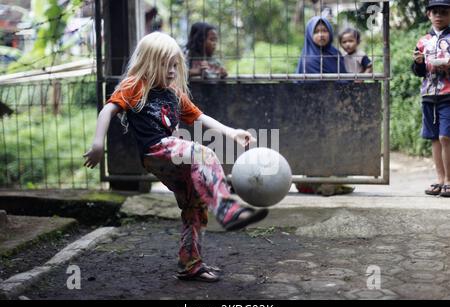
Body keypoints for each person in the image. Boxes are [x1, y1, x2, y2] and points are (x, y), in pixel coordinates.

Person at [83, 32, 268, 282]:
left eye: (174, 65)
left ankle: (190, 264)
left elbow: (202, 118)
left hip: (173, 160)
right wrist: (97, 143)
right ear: (149, 62)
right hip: (156, 150)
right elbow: (108, 110)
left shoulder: (174, 94)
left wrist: (231, 132)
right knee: (204, 153)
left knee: (194, 205)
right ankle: (226, 207)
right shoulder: (135, 86)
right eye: (165, 64)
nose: (171, 71)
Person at [295, 16, 354, 196]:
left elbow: (343, 81)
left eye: (325, 31)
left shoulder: (335, 55)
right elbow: (299, 87)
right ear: (309, 34)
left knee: (335, 145)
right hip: (312, 113)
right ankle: (315, 183)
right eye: (317, 31)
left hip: (335, 111)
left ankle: (333, 181)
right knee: (314, 145)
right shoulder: (306, 58)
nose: (321, 35)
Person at [412, 0, 450, 197]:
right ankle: (440, 179)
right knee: (434, 138)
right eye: (435, 12)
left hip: (448, 94)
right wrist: (418, 62)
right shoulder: (423, 40)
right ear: (428, 14)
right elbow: (418, 72)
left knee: (446, 137)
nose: (439, 16)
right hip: (428, 94)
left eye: (444, 12)